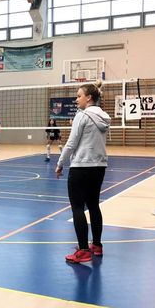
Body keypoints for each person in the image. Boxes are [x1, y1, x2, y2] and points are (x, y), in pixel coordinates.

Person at [56, 81, 110, 263]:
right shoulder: (103, 116)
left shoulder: (82, 116)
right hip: (99, 167)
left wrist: (60, 163)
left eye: (79, 96)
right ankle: (97, 245)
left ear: (89, 98)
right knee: (93, 205)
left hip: (81, 167)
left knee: (77, 208)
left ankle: (83, 250)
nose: (76, 99)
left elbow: (71, 143)